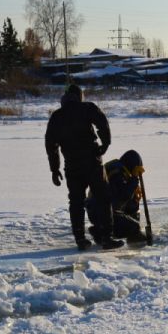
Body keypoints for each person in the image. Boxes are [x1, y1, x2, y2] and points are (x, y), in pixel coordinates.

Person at [45, 84, 123, 251]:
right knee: (103, 198)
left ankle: (80, 239)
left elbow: (50, 144)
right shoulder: (87, 108)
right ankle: (106, 238)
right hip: (92, 162)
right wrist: (105, 144)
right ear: (79, 96)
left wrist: (54, 169)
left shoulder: (57, 116)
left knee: (76, 202)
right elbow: (103, 124)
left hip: (72, 165)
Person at [86, 150, 148, 244]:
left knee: (132, 219)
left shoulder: (116, 168)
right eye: (136, 170)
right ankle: (101, 233)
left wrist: (134, 199)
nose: (135, 173)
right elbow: (121, 196)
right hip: (100, 211)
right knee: (133, 226)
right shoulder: (117, 172)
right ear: (131, 165)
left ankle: (100, 230)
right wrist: (133, 182)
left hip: (96, 210)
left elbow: (122, 201)